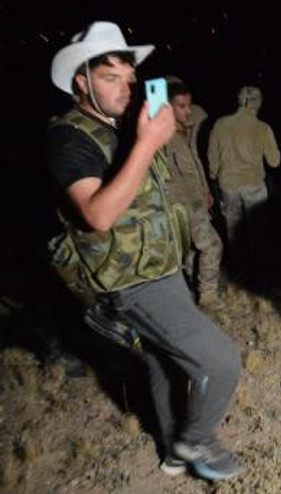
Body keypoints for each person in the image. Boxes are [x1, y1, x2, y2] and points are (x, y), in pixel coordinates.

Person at [46, 21, 242, 479]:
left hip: (160, 266)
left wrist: (146, 137)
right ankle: (195, 440)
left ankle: (173, 452)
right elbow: (96, 215)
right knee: (221, 361)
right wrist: (148, 142)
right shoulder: (67, 138)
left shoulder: (121, 125)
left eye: (128, 77)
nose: (124, 87)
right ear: (82, 82)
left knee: (163, 361)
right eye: (110, 77)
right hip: (129, 282)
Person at [163, 76, 224, 308]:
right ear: (166, 106)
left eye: (189, 105)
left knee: (193, 250)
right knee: (212, 245)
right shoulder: (159, 136)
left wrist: (206, 190)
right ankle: (207, 295)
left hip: (196, 199)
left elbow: (196, 163)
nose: (188, 111)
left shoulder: (183, 131)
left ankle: (193, 289)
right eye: (182, 106)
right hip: (180, 203)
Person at [208, 85, 281, 249]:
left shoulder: (220, 124)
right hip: (253, 184)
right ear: (258, 103)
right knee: (259, 230)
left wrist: (213, 176)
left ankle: (238, 266)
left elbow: (212, 157)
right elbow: (274, 162)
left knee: (233, 230)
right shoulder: (262, 128)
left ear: (239, 101)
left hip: (228, 186)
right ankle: (259, 267)